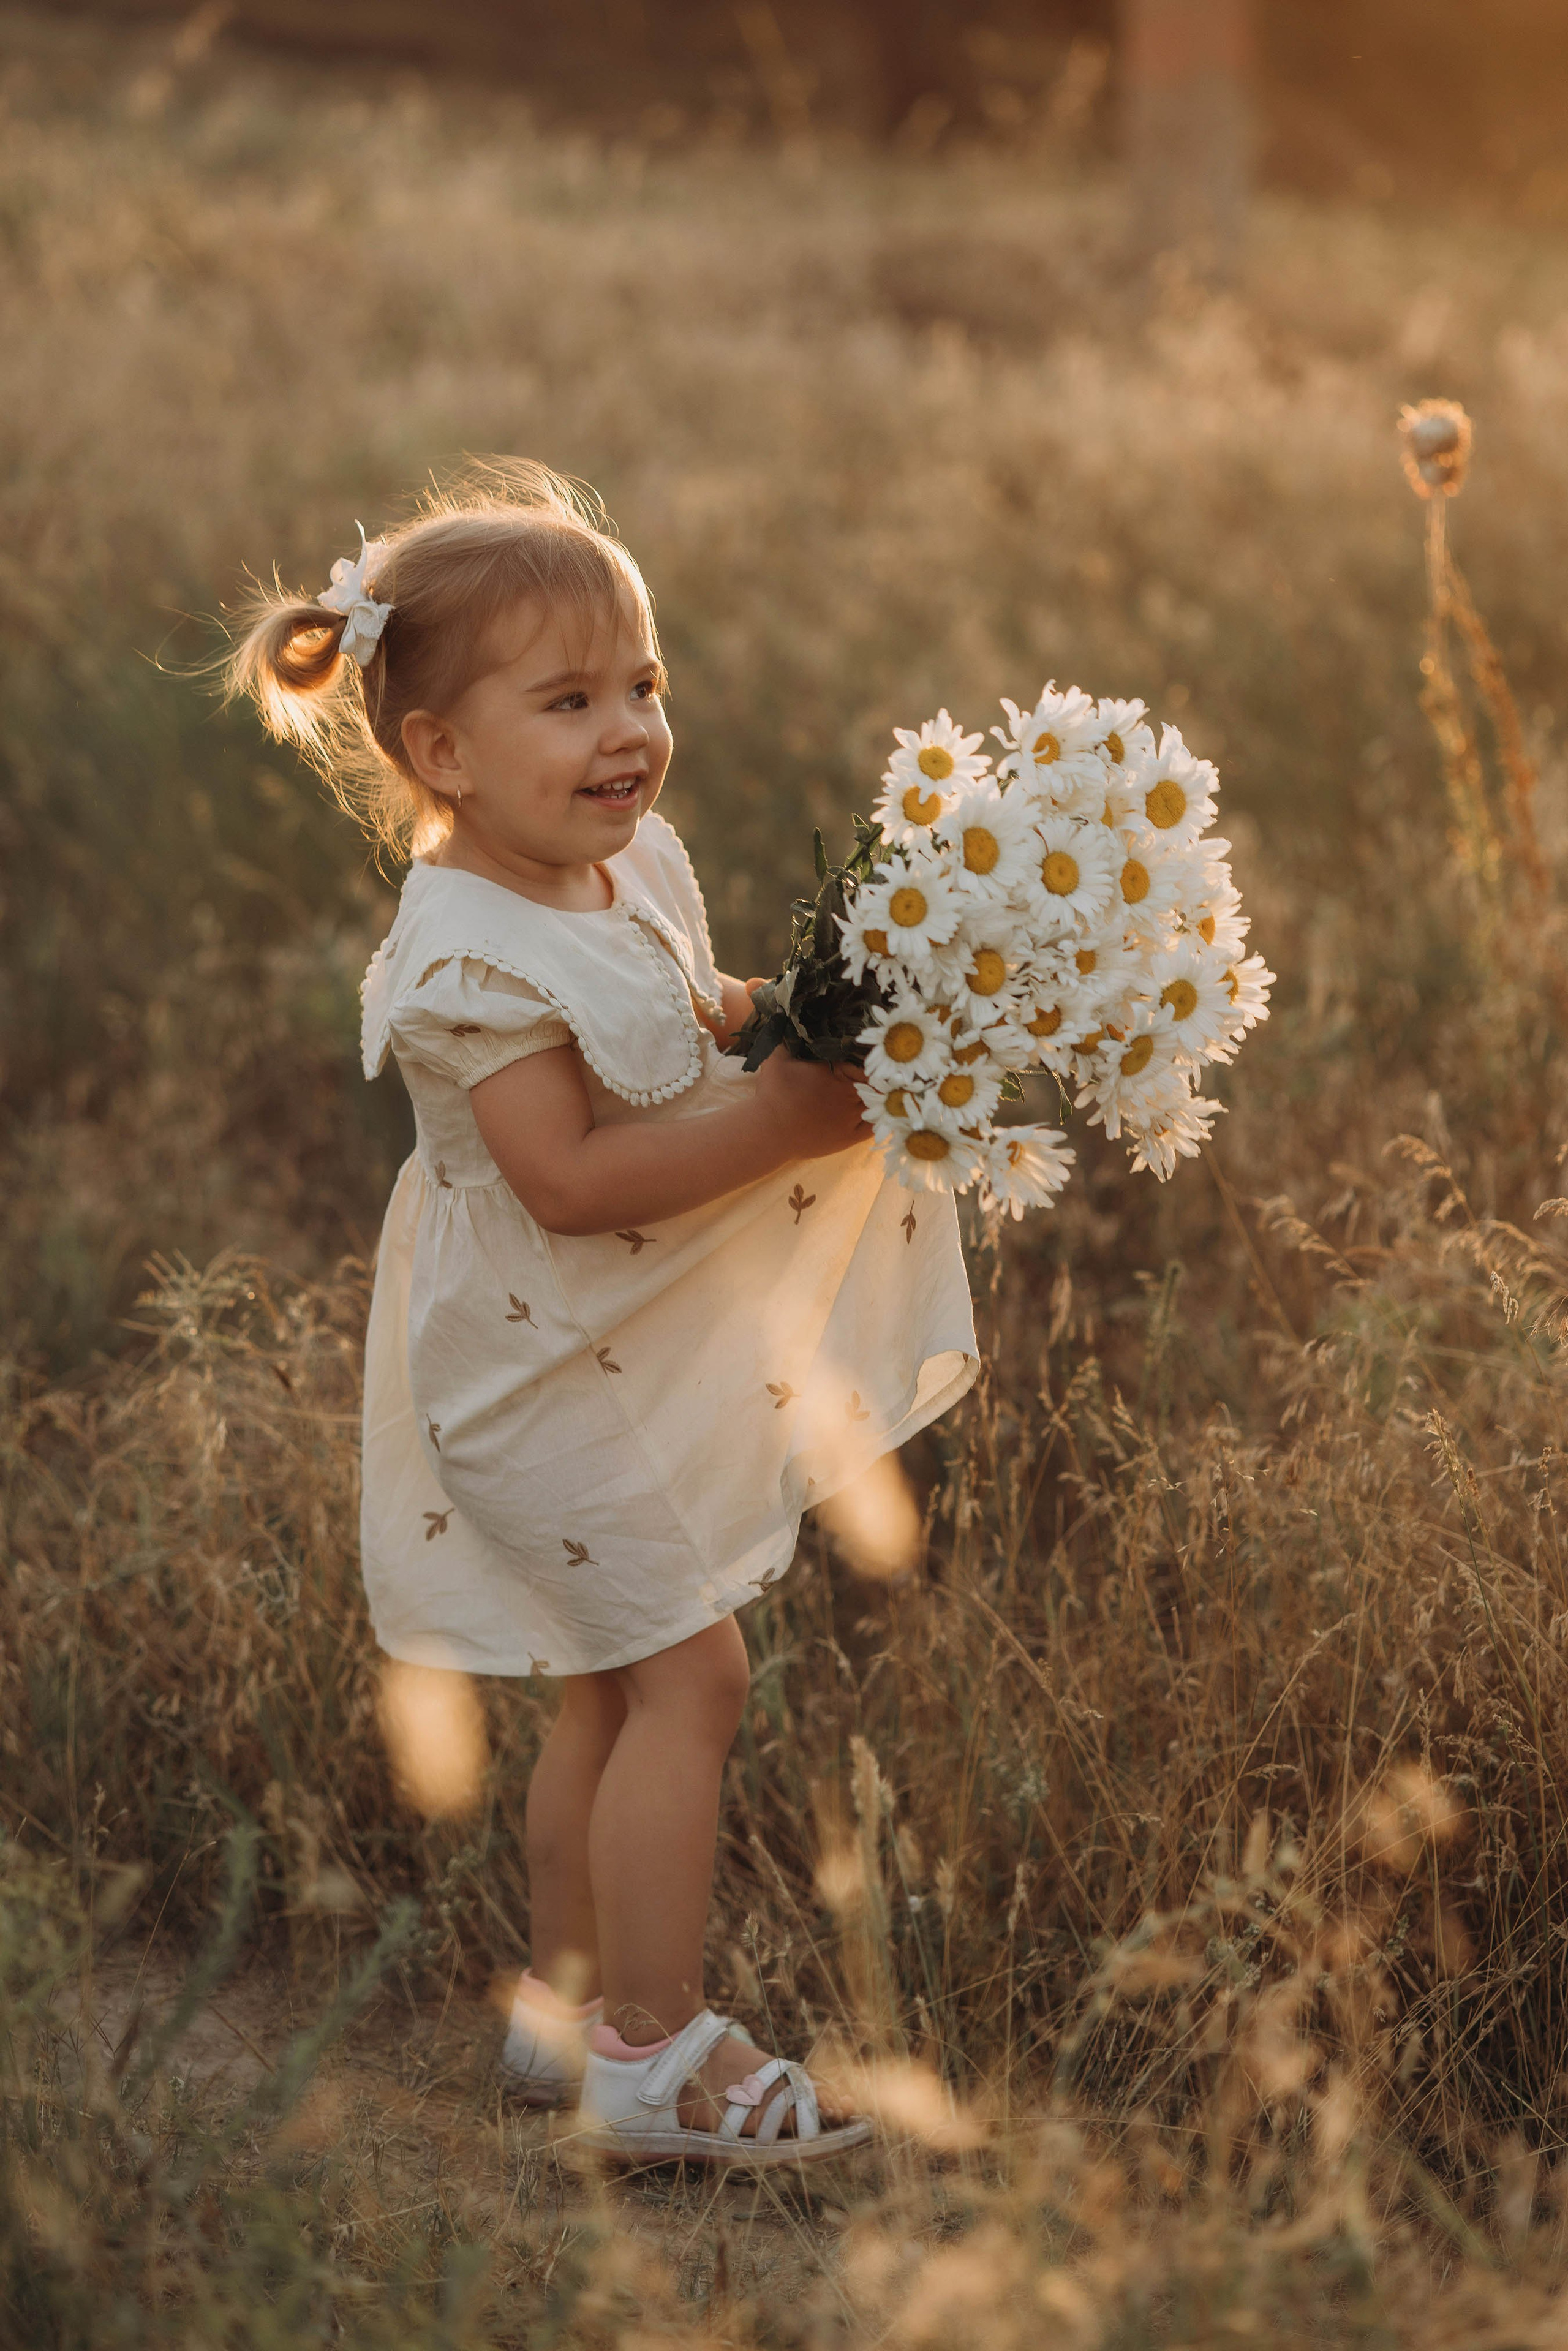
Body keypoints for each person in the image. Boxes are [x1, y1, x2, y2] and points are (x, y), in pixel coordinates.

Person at [227, 460, 978, 2165]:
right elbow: (561, 1176)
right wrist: (788, 1122)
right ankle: (653, 2050)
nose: (629, 728)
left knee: (608, 1687)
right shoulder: (461, 956)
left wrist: (788, 1023)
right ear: (443, 755)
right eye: (569, 700)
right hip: (534, 1373)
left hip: (606, 1346)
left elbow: (678, 1005)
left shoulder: (622, 872)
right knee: (691, 1681)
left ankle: (565, 2016)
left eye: (642, 684)